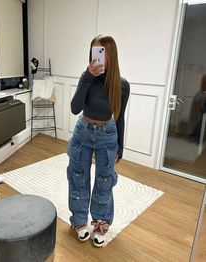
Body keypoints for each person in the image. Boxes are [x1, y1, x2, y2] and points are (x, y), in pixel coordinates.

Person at [67, 35, 130, 247]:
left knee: (105, 180)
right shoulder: (87, 78)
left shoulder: (122, 85)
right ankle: (78, 221)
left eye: (101, 52)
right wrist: (86, 76)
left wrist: (120, 146)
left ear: (111, 55)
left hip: (107, 134)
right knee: (78, 177)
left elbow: (120, 116)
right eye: (94, 52)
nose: (97, 57)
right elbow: (75, 108)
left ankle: (101, 222)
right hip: (83, 131)